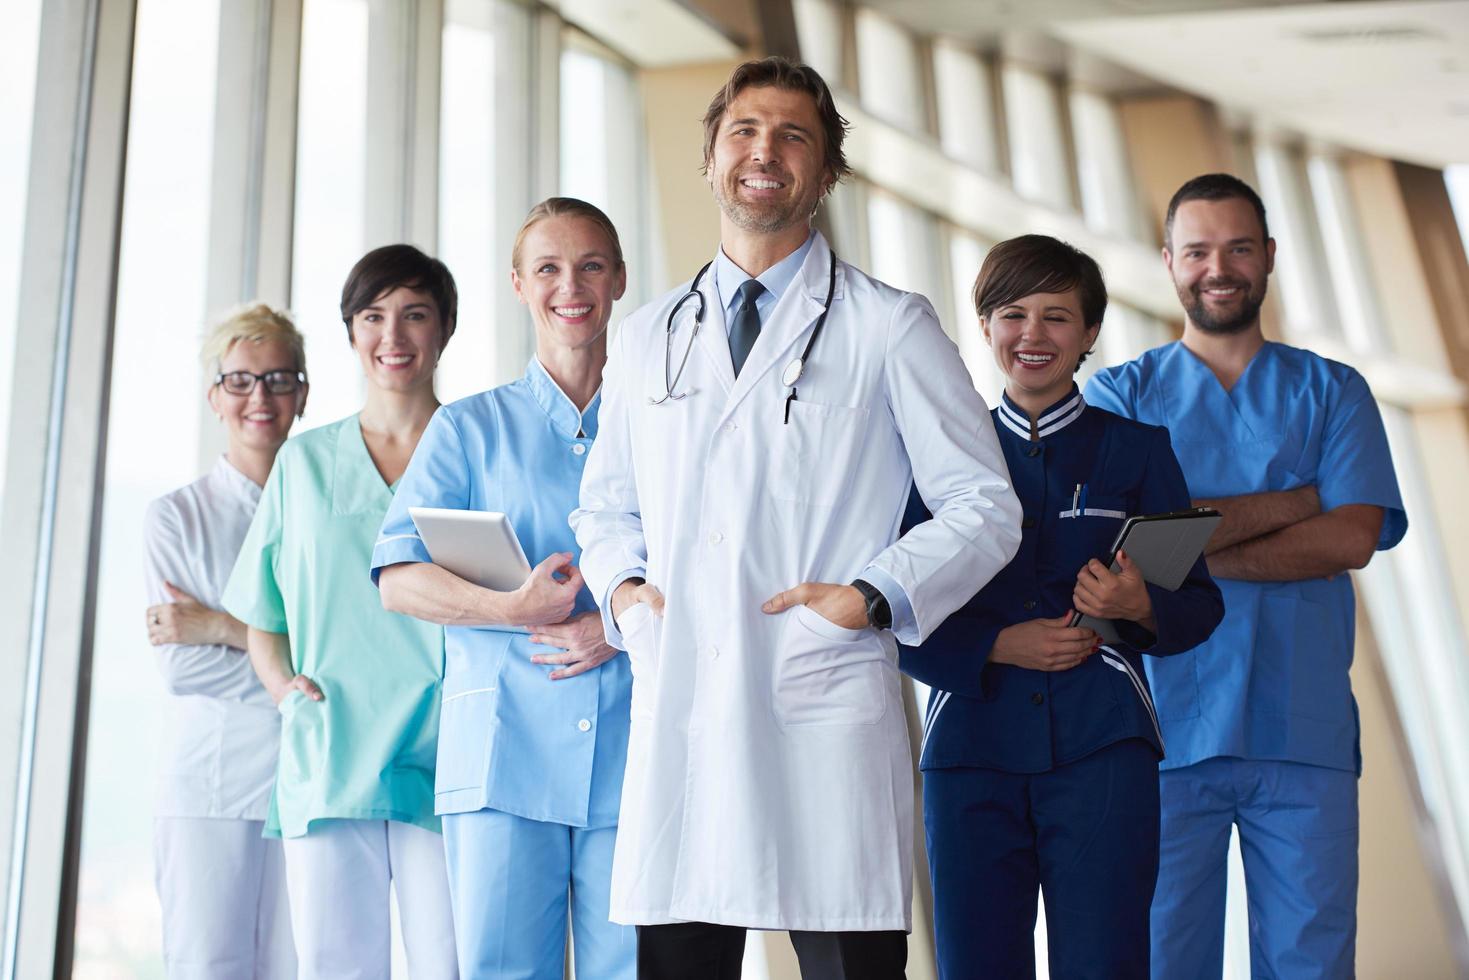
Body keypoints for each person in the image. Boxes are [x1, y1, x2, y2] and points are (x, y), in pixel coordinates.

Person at [571, 56, 1023, 980]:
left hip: (817, 688)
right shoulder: (646, 334)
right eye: (742, 130)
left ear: (825, 172)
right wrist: (621, 595)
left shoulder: (888, 325)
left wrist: (872, 594)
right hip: (687, 696)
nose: (762, 152)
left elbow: (984, 503)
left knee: (844, 956)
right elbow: (605, 505)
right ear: (709, 157)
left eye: (791, 136)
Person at [1085, 173, 1408, 978]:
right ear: (1168, 262)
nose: (1216, 267)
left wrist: (1188, 548)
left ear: (1267, 256)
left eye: (1236, 248)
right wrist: (1298, 500)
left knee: (1310, 959)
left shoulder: (1333, 391)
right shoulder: (1118, 395)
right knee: (1160, 959)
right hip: (1157, 734)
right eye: (1196, 251)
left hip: (1300, 732)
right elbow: (1128, 547)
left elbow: (1350, 537)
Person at [900, 236, 1223, 979]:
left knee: (1104, 962)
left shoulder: (1137, 450)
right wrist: (995, 646)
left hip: (1102, 747)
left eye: (1056, 317)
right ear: (984, 327)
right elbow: (891, 611)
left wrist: (1141, 602)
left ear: (1088, 334)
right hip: (968, 753)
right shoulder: (937, 453)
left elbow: (1197, 605)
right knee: (976, 964)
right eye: (1012, 314)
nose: (1032, 336)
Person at [373, 198, 636, 979]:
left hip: (634, 751)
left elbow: (710, 565)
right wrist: (509, 608)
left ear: (618, 280)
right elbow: (398, 577)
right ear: (518, 284)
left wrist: (611, 626)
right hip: (501, 757)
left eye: (590, 265)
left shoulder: (657, 423)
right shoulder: (467, 428)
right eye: (548, 268)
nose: (571, 286)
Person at [223, 245, 460, 980]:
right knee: (337, 967)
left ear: (444, 330)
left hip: (448, 752)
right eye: (373, 316)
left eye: (414, 315)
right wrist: (280, 686)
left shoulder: (473, 448)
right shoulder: (304, 463)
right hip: (331, 752)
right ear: (351, 332)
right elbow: (264, 611)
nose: (393, 336)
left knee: (451, 964)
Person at [143, 304, 308, 979]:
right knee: (208, 965)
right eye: (239, 381)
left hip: (306, 782)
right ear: (214, 396)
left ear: (302, 391)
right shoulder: (176, 517)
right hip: (211, 786)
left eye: (277, 378)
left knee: (303, 965)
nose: (259, 398)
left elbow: (352, 653)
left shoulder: (321, 511)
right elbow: (184, 671)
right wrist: (295, 673)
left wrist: (225, 628)